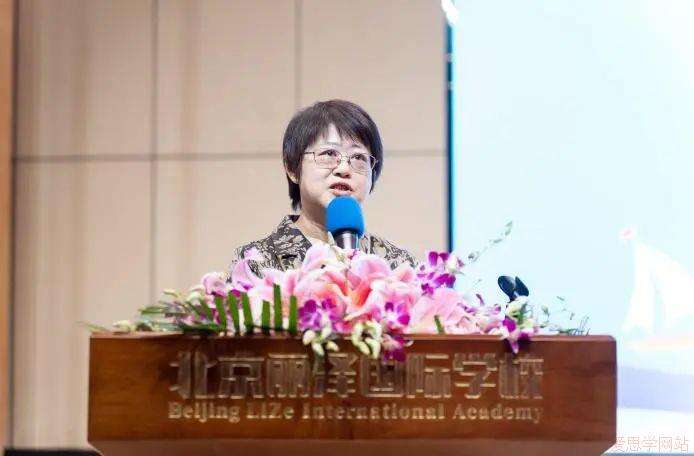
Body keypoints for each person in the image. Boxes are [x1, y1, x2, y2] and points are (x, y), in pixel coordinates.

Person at [232, 99, 416, 275]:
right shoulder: (255, 262)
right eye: (329, 153)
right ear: (293, 168)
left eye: (358, 157)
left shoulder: (398, 265)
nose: (344, 169)